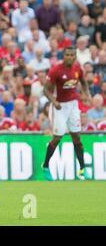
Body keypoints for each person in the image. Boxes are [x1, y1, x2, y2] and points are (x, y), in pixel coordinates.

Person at [42, 47, 92, 181]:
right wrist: (54, 101)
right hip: (59, 107)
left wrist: (87, 94)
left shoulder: (77, 69)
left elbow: (83, 82)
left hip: (73, 105)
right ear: (63, 56)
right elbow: (45, 90)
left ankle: (82, 170)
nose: (69, 57)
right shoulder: (55, 70)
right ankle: (46, 166)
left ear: (75, 56)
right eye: (67, 55)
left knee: (77, 138)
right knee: (57, 137)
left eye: (72, 55)